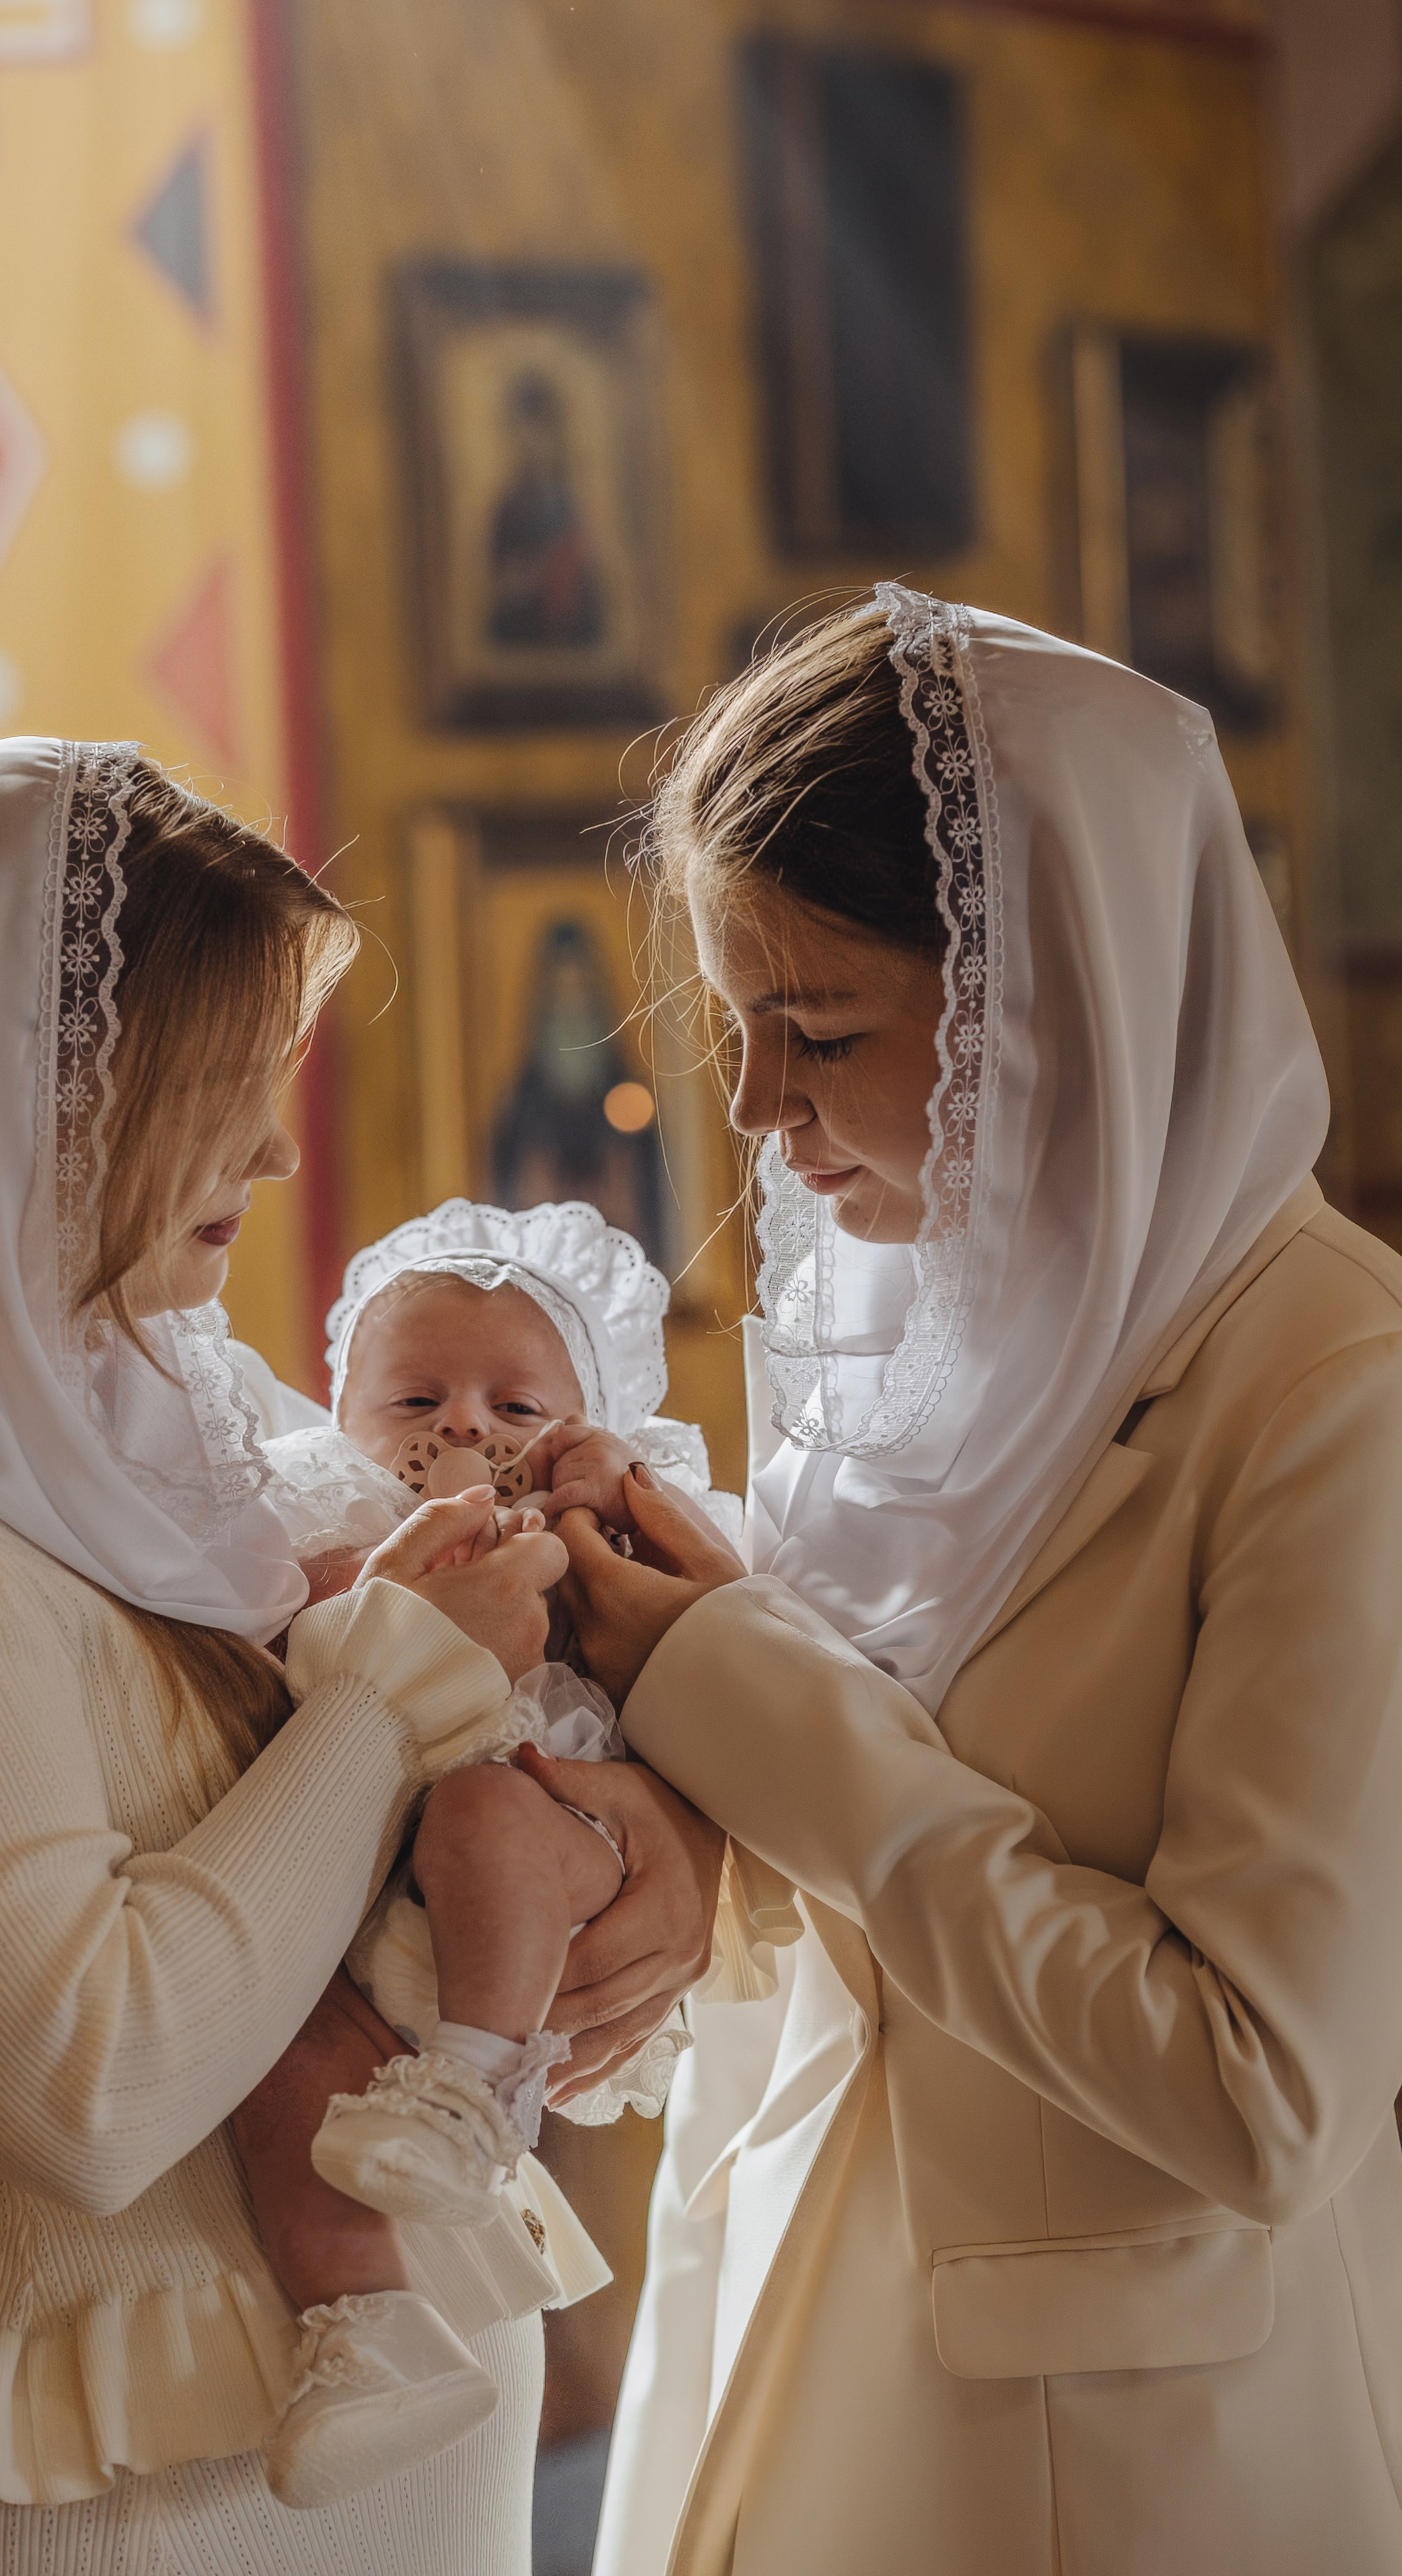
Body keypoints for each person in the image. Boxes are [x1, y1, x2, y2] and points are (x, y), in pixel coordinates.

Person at [0, 743, 719, 2576]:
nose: (272, 1149)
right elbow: (93, 2085)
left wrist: (644, 1834)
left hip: (398, 2475)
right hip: (103, 2508)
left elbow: (343, 1794)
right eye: (222, 1086)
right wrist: (396, 1677)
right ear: (32, 1097)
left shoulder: (174, 1415)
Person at [564, 587, 1402, 2576]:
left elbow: (1260, 2090)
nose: (757, 1111)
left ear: (1060, 999)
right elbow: (878, 1847)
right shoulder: (922, 1332)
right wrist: (695, 1844)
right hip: (784, 2331)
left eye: (820, 1030)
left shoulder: (1333, 1393)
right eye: (731, 1023)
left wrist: (754, 1715)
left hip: (1106, 2460)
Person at [234, 1199, 749, 2497]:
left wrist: (593, 1546)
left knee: (482, 1815)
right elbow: (261, 1663)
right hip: (358, 1914)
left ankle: (473, 2090)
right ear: (340, 1420)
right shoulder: (318, 1539)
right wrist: (365, 1581)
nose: (463, 1425)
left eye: (516, 1409)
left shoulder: (596, 1545)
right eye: (414, 1399)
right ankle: (366, 2334)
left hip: (545, 1849)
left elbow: (717, 1676)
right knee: (282, 2071)